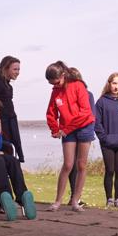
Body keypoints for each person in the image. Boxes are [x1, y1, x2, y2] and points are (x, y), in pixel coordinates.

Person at [45, 61, 95, 212]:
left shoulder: (78, 86)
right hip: (68, 129)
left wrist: (66, 129)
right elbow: (51, 112)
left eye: (57, 82)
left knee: (81, 165)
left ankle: (75, 201)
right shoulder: (55, 90)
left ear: (63, 75)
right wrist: (55, 129)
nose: (56, 85)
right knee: (68, 165)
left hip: (84, 126)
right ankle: (57, 201)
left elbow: (85, 112)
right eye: (52, 83)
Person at [95, 72, 118, 208]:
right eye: (114, 83)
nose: (116, 86)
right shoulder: (101, 102)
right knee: (110, 170)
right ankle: (109, 199)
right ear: (109, 83)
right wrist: (104, 138)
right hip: (107, 143)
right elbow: (97, 123)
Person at [0, 56, 24, 163]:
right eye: (15, 69)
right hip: (3, 123)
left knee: (13, 152)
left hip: (10, 121)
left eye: (18, 69)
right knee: (6, 150)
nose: (17, 72)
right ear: (6, 69)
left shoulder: (8, 85)